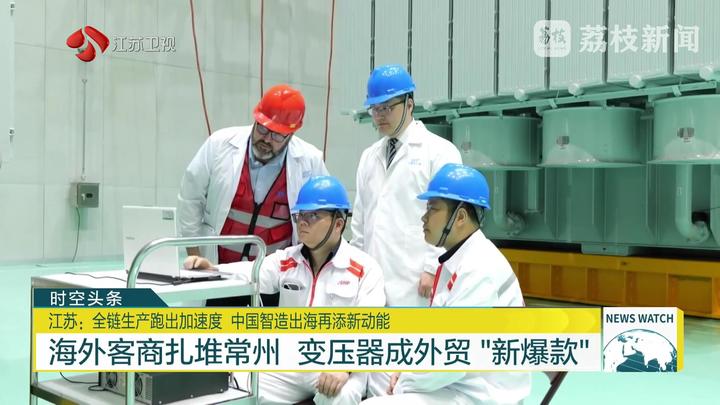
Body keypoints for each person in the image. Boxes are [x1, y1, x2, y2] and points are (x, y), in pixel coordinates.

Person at [185, 176, 386, 405]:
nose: (302, 222)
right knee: (238, 385)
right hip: (292, 359)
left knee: (343, 395)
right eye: (300, 215)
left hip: (338, 362)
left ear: (338, 224)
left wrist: (345, 366)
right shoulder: (288, 260)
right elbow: (251, 271)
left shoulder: (364, 269)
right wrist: (212, 269)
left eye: (313, 216)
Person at [361, 163, 530, 405]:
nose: (424, 217)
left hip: (483, 395)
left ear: (460, 217)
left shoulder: (479, 269)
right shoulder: (456, 259)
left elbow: (452, 359)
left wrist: (403, 382)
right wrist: (404, 370)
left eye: (432, 208)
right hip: (460, 384)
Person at [350, 64, 461, 396]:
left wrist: (432, 265)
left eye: (387, 107)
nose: (379, 115)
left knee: (408, 371)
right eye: (375, 108)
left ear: (409, 104)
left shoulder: (439, 152)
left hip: (418, 279)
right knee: (374, 367)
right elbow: (360, 219)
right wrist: (356, 268)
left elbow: (453, 218)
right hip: (374, 276)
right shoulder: (369, 156)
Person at [178, 84, 328, 306]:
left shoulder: (310, 161)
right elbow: (190, 199)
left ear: (291, 134)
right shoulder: (220, 145)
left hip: (274, 279)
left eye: (277, 135)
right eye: (263, 129)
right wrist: (195, 254)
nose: (267, 139)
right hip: (217, 271)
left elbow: (324, 216)